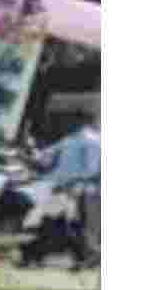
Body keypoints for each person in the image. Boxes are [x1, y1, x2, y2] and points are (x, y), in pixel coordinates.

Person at [34, 108, 99, 266]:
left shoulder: (91, 141)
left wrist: (70, 182)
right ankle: (47, 255)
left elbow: (90, 170)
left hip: (81, 189)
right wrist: (37, 154)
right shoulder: (73, 138)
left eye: (68, 120)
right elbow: (47, 154)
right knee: (57, 221)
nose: (65, 124)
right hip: (64, 188)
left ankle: (89, 256)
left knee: (82, 225)